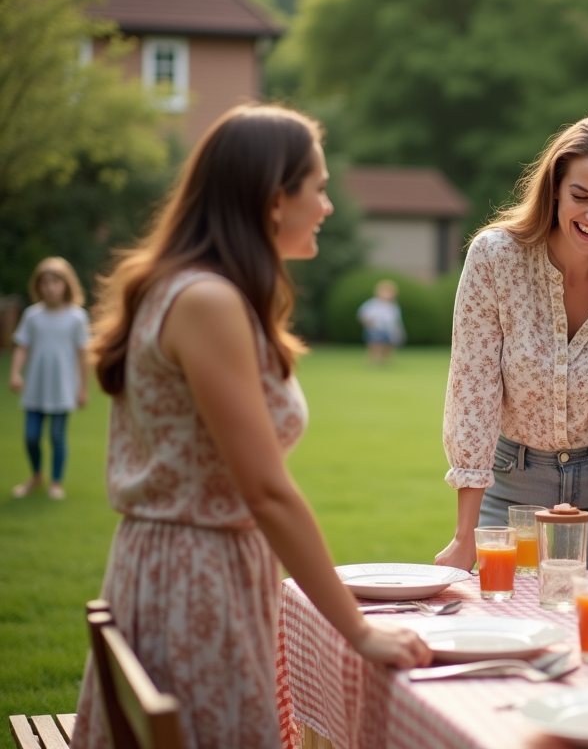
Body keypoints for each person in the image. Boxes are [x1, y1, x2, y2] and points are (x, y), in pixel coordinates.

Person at [72, 104, 431, 749]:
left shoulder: (194, 290)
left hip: (183, 567)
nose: (326, 206)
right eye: (318, 188)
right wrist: (358, 630)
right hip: (197, 581)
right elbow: (266, 490)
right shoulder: (207, 301)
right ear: (273, 199)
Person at [435, 116, 588, 572]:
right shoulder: (495, 257)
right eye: (580, 197)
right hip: (511, 494)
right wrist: (464, 536)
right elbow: (473, 393)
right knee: (502, 612)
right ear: (554, 191)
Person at [9, 257, 90, 500]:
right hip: (36, 387)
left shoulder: (77, 317)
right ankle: (36, 476)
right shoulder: (32, 316)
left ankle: (56, 481)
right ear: (38, 286)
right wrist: (15, 373)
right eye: (45, 283)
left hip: (62, 388)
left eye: (55, 282)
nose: (50, 288)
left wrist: (83, 389)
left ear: (66, 284)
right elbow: (22, 347)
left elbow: (83, 354)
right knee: (31, 437)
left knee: (57, 437)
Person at [357, 279, 405, 364]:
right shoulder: (372, 304)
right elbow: (362, 315)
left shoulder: (393, 306)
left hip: (388, 329)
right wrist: (368, 323)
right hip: (374, 328)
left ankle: (386, 360)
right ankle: (373, 360)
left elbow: (396, 319)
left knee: (388, 346)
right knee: (375, 345)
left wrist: (398, 330)